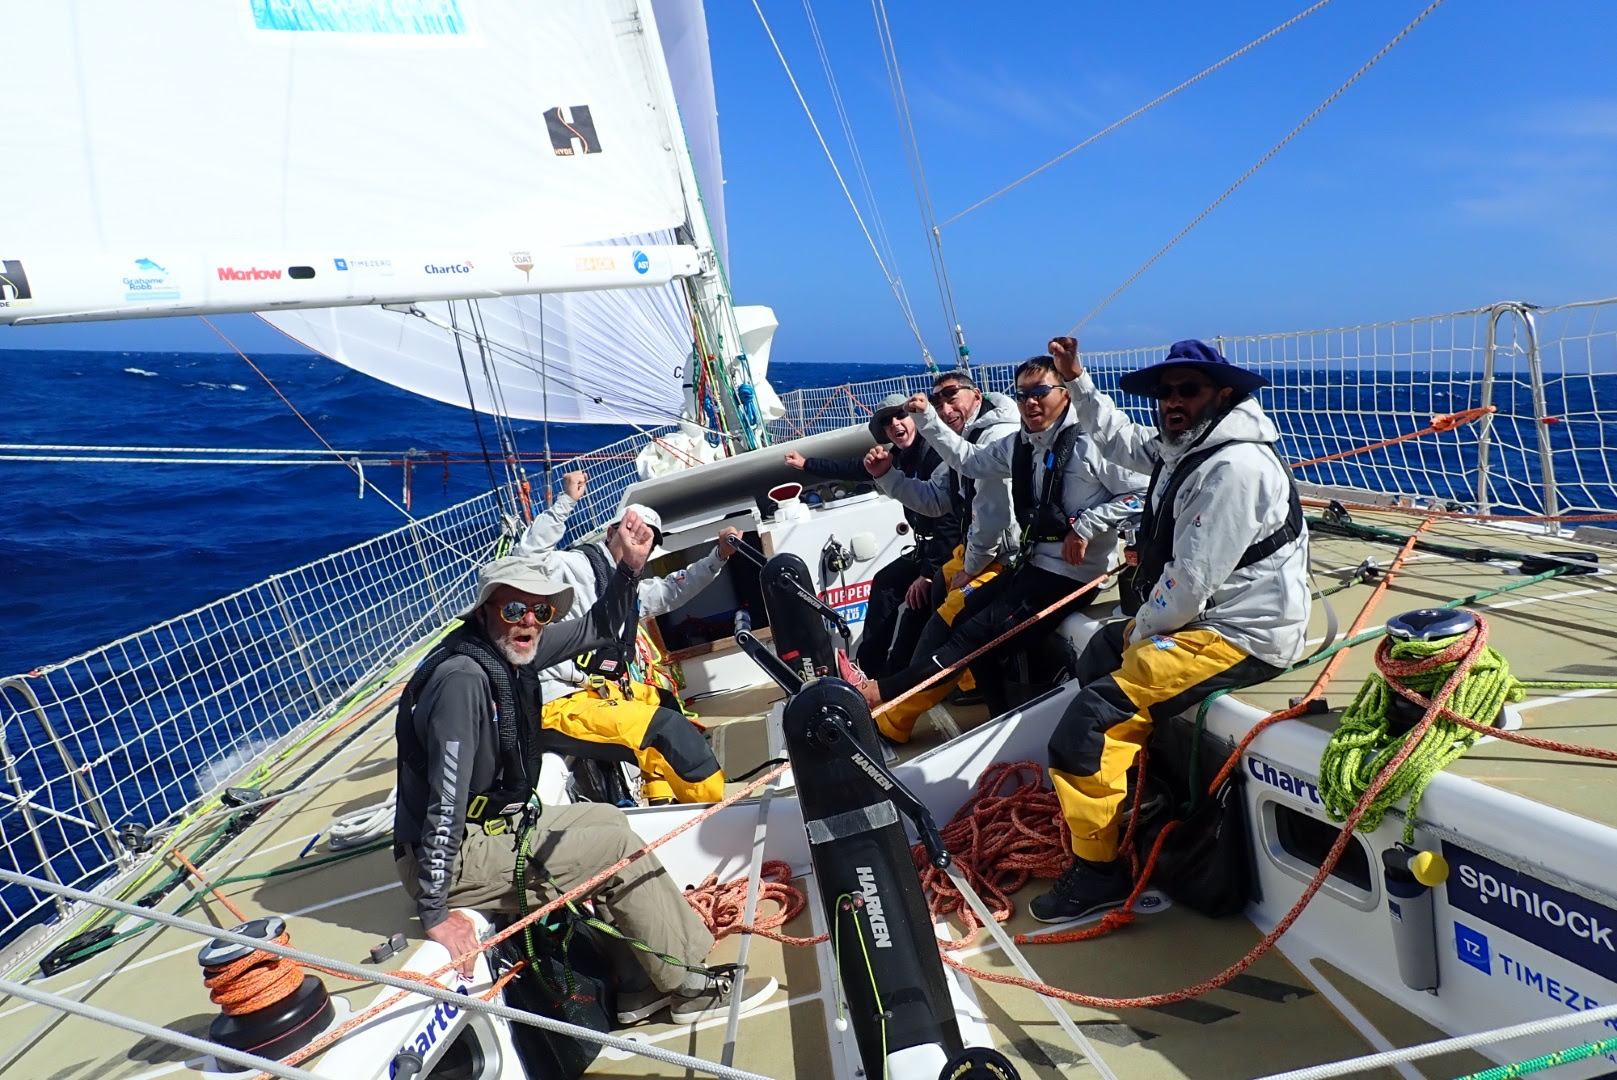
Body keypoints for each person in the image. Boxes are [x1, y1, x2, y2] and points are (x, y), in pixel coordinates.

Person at [393, 526, 777, 1026]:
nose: (529, 621)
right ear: (484, 612)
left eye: (541, 611)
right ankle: (688, 988)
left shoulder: (512, 646)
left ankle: (638, 986)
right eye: (514, 609)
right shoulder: (462, 681)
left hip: (490, 827)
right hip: (449, 856)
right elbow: (445, 799)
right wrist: (435, 912)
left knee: (608, 821)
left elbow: (599, 626)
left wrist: (629, 570)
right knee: (613, 849)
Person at [1026, 336, 1311, 922]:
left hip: (1241, 634)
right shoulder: (1184, 448)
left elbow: (1188, 583)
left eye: (1188, 390)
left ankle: (1099, 873)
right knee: (1100, 649)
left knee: (1090, 722)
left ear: (1223, 395)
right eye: (1165, 392)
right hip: (1199, 619)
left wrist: (1140, 633)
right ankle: (1136, 796)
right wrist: (1076, 379)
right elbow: (1118, 438)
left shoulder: (1233, 468)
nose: (1172, 401)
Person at [861, 356, 1147, 720]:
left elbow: (1143, 492)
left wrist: (1085, 526)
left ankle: (886, 692)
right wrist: (928, 421)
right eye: (1022, 394)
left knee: (976, 636)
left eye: (1040, 392)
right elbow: (969, 462)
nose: (1030, 402)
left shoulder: (1091, 444)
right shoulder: (1018, 445)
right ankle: (999, 717)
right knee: (964, 619)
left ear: (1065, 394)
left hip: (1074, 573)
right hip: (1033, 563)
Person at [516, 475, 738, 805]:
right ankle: (713, 808)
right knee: (667, 731)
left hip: (595, 691)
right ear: (610, 533)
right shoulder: (573, 567)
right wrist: (566, 502)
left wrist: (718, 556)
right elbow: (525, 559)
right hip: (556, 703)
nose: (639, 542)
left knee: (663, 702)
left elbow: (672, 590)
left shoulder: (628, 587)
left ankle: (661, 799)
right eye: (631, 531)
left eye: (647, 539)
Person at [861, 372, 1020, 741]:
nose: (945, 408)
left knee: (949, 617)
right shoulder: (963, 440)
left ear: (975, 395)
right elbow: (936, 500)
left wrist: (970, 568)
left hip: (1008, 556)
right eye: (937, 402)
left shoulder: (995, 438)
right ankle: (965, 684)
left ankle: (896, 715)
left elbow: (993, 517)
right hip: (984, 550)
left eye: (952, 396)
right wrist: (888, 477)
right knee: (934, 591)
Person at [785, 392, 962, 677]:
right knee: (885, 583)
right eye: (887, 423)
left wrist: (928, 574)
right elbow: (854, 468)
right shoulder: (898, 458)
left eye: (901, 415)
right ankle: (869, 670)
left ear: (915, 418)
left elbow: (950, 519)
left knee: (916, 606)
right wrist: (806, 464)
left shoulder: (935, 453)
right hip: (928, 550)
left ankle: (893, 678)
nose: (895, 424)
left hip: (951, 551)